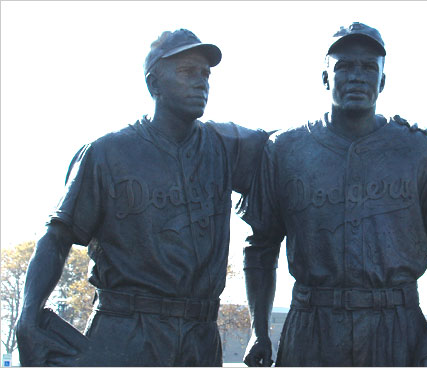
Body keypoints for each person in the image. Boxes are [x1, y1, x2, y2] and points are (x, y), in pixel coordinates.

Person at [15, 28, 269, 367]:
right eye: (187, 72)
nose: (201, 82)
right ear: (154, 85)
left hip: (199, 336)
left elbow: (286, 148)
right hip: (126, 332)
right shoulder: (107, 154)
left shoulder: (224, 146)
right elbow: (57, 237)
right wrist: (28, 314)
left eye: (205, 74)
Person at [241, 22, 427, 367]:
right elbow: (260, 246)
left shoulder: (418, 150)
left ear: (382, 81)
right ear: (324, 78)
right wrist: (258, 331)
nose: (357, 76)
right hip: (312, 328)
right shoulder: (284, 149)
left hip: (397, 329)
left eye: (368, 67)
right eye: (344, 66)